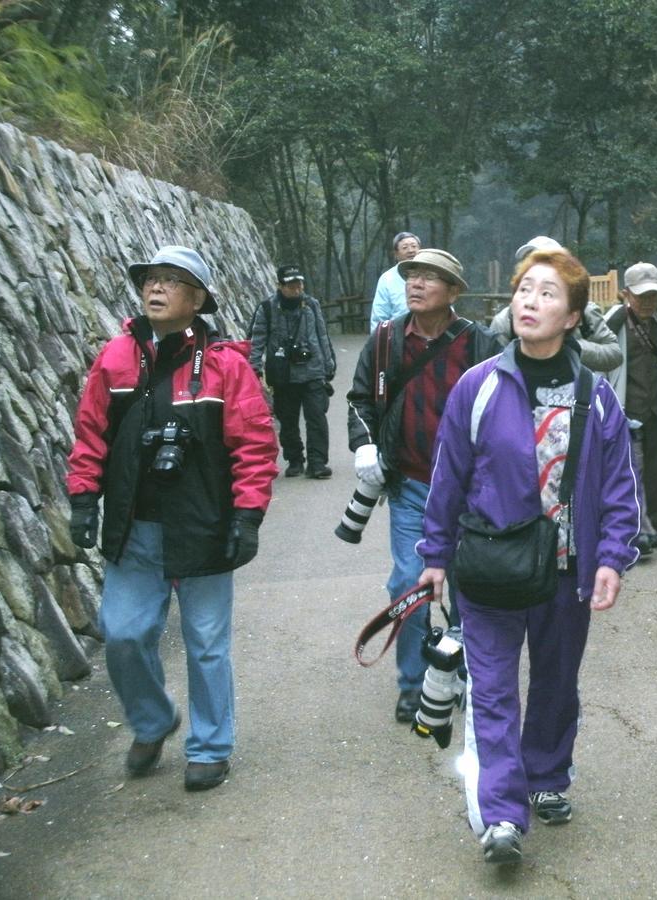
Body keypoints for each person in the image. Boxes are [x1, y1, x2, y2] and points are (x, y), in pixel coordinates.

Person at [416, 248, 640, 866]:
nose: (529, 303)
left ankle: (545, 775)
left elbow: (620, 486)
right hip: (490, 565)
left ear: (572, 316)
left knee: (555, 684)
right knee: (490, 691)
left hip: (566, 570)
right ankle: (501, 816)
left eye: (546, 294)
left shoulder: (597, 397)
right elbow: (448, 476)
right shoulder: (480, 385)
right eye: (523, 292)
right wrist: (435, 553)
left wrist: (612, 557)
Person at [67, 245, 278, 792]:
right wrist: (84, 498)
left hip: (204, 525)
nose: (155, 289)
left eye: (171, 281)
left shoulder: (226, 364)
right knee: (122, 633)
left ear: (199, 298)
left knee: (206, 642)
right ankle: (153, 720)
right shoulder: (115, 358)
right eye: (150, 280)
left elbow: (254, 444)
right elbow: (91, 433)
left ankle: (210, 746)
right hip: (135, 525)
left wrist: (248, 514)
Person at [346, 248, 500, 723]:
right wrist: (365, 445)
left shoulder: (481, 344)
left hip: (470, 491)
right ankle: (412, 683)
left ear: (453, 292)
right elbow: (358, 402)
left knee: (465, 585)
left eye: (430, 278)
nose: (415, 284)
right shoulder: (386, 341)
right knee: (407, 583)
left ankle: (456, 673)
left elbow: (505, 411)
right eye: (411, 275)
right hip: (411, 484)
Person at [604, 261, 657, 554]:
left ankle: (652, 526)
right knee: (628, 472)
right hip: (623, 409)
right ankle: (634, 529)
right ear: (626, 294)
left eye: (653, 295)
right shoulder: (611, 324)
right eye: (641, 296)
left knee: (655, 472)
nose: (648, 302)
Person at [249, 264, 336, 478]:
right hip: (282, 373)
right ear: (279, 285)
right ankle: (295, 459)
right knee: (287, 420)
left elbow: (322, 335)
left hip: (313, 370)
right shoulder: (267, 308)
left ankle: (317, 463)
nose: (297, 288)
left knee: (316, 417)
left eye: (299, 283)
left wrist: (329, 365)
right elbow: (256, 339)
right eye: (291, 285)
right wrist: (254, 367)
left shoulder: (312, 305)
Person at [487, 235, 623, 373]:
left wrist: (573, 347)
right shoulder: (504, 322)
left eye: (548, 263)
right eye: (529, 262)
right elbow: (492, 371)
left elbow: (614, 354)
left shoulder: (583, 311)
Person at [369, 231, 421, 331]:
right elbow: (379, 315)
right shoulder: (387, 279)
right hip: (398, 336)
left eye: (414, 246)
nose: (411, 251)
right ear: (396, 254)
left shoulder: (432, 273)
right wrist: (377, 340)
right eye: (405, 247)